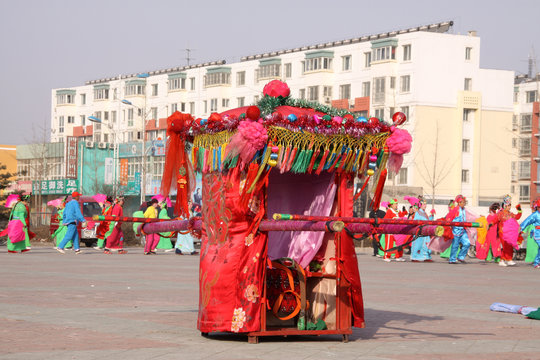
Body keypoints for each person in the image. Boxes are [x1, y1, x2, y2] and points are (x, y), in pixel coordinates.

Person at [495, 194, 522, 267]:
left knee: (510, 246)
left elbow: (517, 217)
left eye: (510, 205)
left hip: (509, 233)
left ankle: (508, 259)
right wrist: (490, 224)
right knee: (505, 246)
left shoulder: (511, 214)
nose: (509, 207)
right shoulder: (500, 214)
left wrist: (519, 210)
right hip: (502, 232)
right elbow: (495, 220)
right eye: (508, 205)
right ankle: (502, 260)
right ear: (504, 205)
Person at [446, 195, 470, 264]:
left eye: (464, 202)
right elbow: (449, 217)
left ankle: (460, 257)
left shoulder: (465, 210)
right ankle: (452, 259)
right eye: (462, 202)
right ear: (459, 203)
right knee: (455, 246)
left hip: (463, 230)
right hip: (456, 231)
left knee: (467, 243)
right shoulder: (455, 210)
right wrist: (449, 225)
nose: (463, 203)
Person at [411, 197, 434, 262]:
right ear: (420, 205)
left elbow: (428, 221)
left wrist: (432, 216)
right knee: (417, 245)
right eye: (424, 204)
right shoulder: (418, 212)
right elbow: (416, 221)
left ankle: (426, 257)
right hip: (419, 232)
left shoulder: (424, 213)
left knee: (426, 245)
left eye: (426, 204)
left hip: (425, 232)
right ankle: (414, 257)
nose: (425, 205)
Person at [519, 199, 540, 269]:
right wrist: (521, 228)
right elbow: (527, 221)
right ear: (537, 207)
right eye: (539, 207)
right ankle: (537, 262)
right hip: (537, 233)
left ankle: (537, 262)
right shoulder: (535, 215)